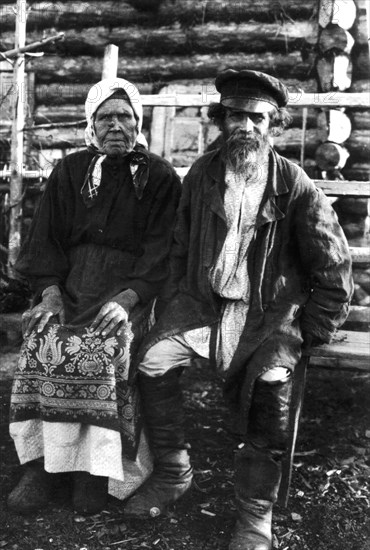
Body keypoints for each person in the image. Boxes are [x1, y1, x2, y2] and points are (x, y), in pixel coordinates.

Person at [123, 70, 354, 550]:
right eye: (235, 116)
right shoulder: (203, 176)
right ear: (220, 121)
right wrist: (172, 304)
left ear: (274, 125)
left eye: (257, 117)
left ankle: (255, 514)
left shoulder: (293, 184)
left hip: (267, 315)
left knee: (271, 382)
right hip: (203, 309)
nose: (246, 126)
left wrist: (308, 332)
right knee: (151, 359)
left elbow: (334, 270)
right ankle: (173, 472)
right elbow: (179, 248)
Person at [7, 78, 181, 516]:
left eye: (125, 116)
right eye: (106, 117)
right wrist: (49, 295)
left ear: (138, 122)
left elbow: (164, 249)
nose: (116, 126)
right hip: (70, 286)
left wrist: (127, 300)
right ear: (91, 123)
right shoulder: (69, 171)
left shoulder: (159, 176)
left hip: (131, 291)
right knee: (43, 340)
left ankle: (95, 470)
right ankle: (46, 465)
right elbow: (45, 238)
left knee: (105, 347)